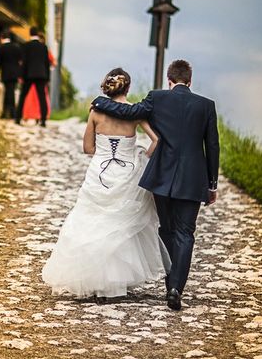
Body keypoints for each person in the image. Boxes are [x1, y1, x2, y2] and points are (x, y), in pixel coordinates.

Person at [91, 60, 220, 311]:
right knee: (186, 233)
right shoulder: (206, 106)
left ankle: (170, 281)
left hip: (162, 177)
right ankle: (175, 288)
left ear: (169, 81)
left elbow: (128, 112)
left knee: (166, 229)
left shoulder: (157, 98)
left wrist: (99, 101)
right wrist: (211, 184)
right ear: (189, 81)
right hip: (193, 180)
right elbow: (212, 147)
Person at [42, 68, 169, 301]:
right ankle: (116, 282)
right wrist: (141, 155)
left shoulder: (96, 113)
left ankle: (92, 277)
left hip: (99, 172)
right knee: (120, 223)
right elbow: (158, 141)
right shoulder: (135, 114)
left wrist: (103, 153)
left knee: (92, 220)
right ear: (127, 87)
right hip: (127, 173)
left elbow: (87, 148)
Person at [15, 27, 50, 127]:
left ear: (30, 34)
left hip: (28, 75)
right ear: (38, 34)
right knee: (42, 97)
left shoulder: (26, 46)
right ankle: (43, 120)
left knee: (23, 96)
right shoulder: (43, 47)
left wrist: (21, 75)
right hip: (41, 75)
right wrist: (47, 77)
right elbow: (46, 63)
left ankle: (17, 118)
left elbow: (24, 63)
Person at [21, 32, 56, 122]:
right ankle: (39, 117)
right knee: (40, 98)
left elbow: (24, 62)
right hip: (41, 76)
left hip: (30, 75)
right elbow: (52, 63)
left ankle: (29, 115)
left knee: (30, 98)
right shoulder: (44, 49)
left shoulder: (29, 47)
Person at [0, 30, 22, 119]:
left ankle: (5, 112)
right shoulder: (17, 48)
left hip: (5, 73)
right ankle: (12, 112)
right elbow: (20, 61)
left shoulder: (0, 48)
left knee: (6, 93)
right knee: (11, 92)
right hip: (15, 74)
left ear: (1, 38)